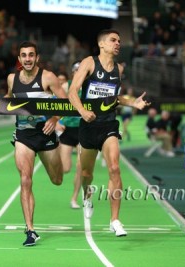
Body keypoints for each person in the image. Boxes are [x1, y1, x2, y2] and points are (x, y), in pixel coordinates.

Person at [68, 29, 150, 237]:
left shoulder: (118, 70)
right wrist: (83, 111)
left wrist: (133, 103)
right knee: (86, 174)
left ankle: (115, 220)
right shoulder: (89, 63)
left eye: (119, 41)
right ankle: (87, 195)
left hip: (108, 125)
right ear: (102, 44)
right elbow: (72, 91)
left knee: (114, 167)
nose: (118, 43)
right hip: (88, 126)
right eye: (113, 40)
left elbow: (116, 98)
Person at [4, 41, 67, 247]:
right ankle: (30, 230)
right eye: (24, 55)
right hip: (24, 134)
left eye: (31, 55)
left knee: (57, 179)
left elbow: (66, 101)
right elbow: (6, 99)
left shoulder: (48, 77)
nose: (28, 59)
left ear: (37, 57)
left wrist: (55, 119)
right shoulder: (12, 79)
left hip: (46, 133)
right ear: (20, 58)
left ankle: (60, 154)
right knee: (25, 179)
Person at [56, 61, 83, 209]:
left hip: (82, 130)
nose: (78, 72)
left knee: (80, 165)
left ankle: (74, 198)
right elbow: (53, 103)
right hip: (67, 130)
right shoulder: (66, 87)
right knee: (65, 168)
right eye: (76, 70)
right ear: (72, 72)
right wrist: (56, 121)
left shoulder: (88, 88)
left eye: (81, 70)